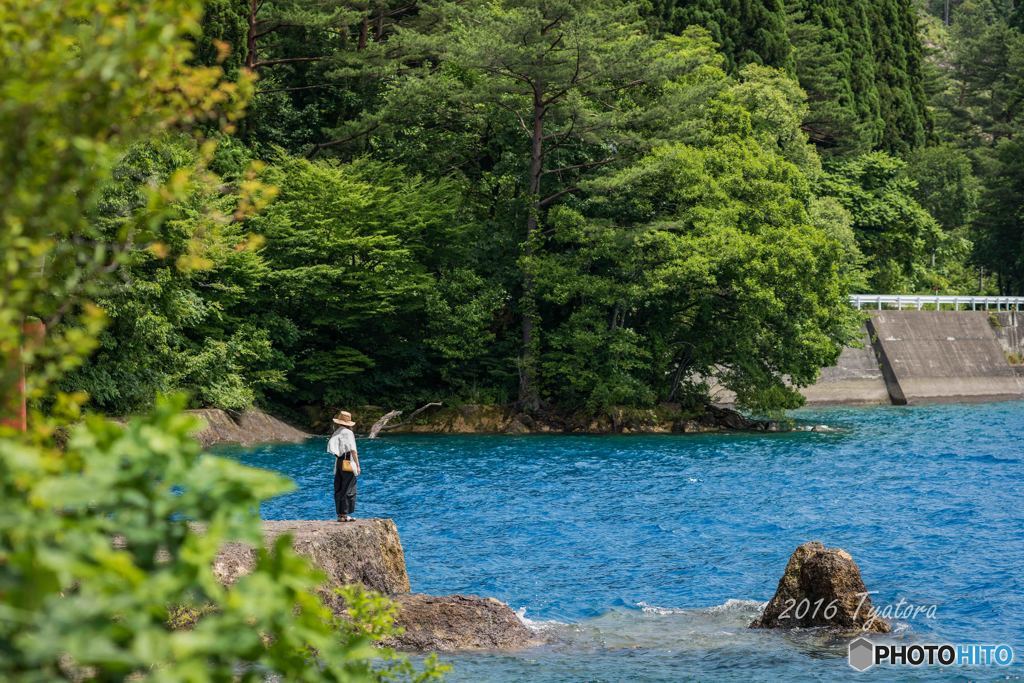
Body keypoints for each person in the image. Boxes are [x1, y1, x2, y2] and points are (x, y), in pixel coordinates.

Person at [326, 410, 361, 522]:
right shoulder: (348, 433)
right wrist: (357, 465)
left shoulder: (337, 432)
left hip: (339, 462)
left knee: (339, 487)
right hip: (347, 462)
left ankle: (340, 515)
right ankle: (345, 515)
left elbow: (332, 447)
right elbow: (353, 451)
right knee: (349, 487)